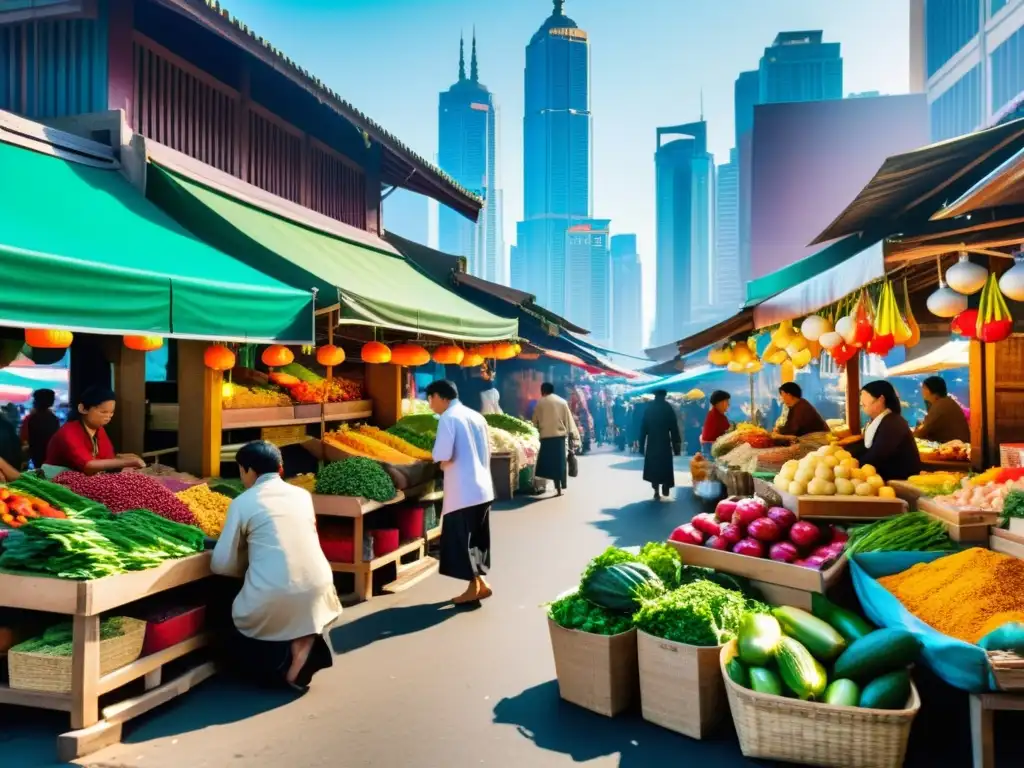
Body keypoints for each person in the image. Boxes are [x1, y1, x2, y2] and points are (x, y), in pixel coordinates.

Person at [211, 441, 339, 691]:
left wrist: (247, 570)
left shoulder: (242, 502)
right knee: (292, 601)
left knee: (227, 597)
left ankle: (282, 659)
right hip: (321, 586)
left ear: (248, 471)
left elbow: (221, 564)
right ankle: (303, 640)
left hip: (276, 595)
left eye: (241, 471)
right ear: (280, 469)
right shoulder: (302, 496)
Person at [428, 380, 495, 604]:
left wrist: (436, 459)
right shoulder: (477, 416)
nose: (430, 405)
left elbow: (443, 453)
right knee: (477, 539)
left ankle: (472, 586)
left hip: (463, 492)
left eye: (431, 398)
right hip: (483, 488)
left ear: (443, 397)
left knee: (462, 541)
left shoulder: (449, 418)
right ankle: (480, 583)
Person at [44, 386, 145, 474]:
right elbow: (88, 465)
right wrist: (129, 462)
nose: (108, 417)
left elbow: (107, 457)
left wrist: (123, 458)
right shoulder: (69, 431)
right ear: (83, 408)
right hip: (58, 479)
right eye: (103, 412)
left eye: (111, 413)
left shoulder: (99, 429)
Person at [849, 380, 922, 480]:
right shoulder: (881, 420)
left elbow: (875, 457)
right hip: (883, 479)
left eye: (864, 395)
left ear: (881, 399)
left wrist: (849, 468)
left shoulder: (893, 423)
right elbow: (865, 448)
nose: (861, 401)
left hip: (899, 483)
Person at [532, 382, 581, 496]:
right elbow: (569, 421)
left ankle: (543, 486)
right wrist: (574, 436)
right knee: (560, 464)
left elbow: (535, 421)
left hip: (545, 438)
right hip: (559, 438)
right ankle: (559, 488)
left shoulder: (540, 403)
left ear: (543, 391)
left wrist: (534, 430)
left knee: (547, 464)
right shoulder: (562, 402)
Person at [640, 389, 682, 500]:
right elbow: (673, 428)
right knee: (665, 465)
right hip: (664, 441)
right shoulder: (668, 408)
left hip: (652, 441)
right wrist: (676, 445)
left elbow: (643, 428)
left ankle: (656, 490)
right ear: (664, 395)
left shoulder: (649, 409)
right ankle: (666, 484)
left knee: (654, 466)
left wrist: (641, 445)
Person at [915, 376, 970, 444]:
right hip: (958, 445)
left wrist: (914, 432)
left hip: (956, 449)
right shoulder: (946, 401)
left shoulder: (940, 405)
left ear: (929, 390)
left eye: (923, 388)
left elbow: (922, 432)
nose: (922, 391)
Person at [20, 389, 60, 469]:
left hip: (36, 457)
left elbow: (23, 439)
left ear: (36, 401)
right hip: (52, 458)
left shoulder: (30, 419)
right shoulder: (54, 419)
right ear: (51, 402)